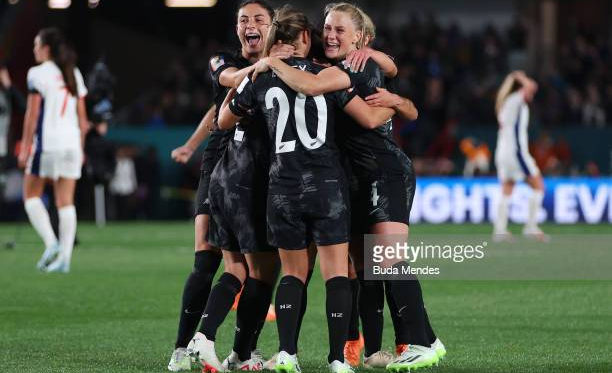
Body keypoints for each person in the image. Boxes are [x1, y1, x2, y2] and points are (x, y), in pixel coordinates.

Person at [252, 3, 444, 370]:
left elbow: (320, 90)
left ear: (360, 38)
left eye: (340, 29)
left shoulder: (353, 66)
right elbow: (397, 84)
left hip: (383, 171)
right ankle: (392, 346)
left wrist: (273, 61)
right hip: (354, 178)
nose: (331, 35)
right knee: (366, 268)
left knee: (388, 262)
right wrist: (399, 101)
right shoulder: (349, 65)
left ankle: (423, 342)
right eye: (327, 28)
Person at [219, 6, 396, 373]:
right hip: (327, 185)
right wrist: (397, 106)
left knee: (292, 274)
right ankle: (337, 360)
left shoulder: (261, 79)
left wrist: (259, 68)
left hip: (281, 186)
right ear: (304, 39)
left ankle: (287, 353)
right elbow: (369, 116)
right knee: (336, 274)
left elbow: (223, 121)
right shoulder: (329, 74)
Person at [167, 1, 277, 372]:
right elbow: (227, 87)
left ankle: (243, 350)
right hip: (220, 165)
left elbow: (214, 110)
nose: (250, 25)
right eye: (243, 20)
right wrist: (195, 147)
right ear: (236, 30)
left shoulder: (281, 69)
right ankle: (182, 348)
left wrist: (188, 143)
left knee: (255, 266)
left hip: (259, 170)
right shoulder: (224, 62)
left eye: (259, 19)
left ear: (272, 26)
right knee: (206, 258)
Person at [18, 28, 88, 273]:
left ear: (46, 48)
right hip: (71, 145)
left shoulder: (37, 73)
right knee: (65, 201)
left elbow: (32, 112)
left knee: (31, 195)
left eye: (37, 45)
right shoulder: (73, 72)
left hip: (48, 144)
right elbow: (83, 118)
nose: (34, 49)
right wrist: (81, 147)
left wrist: (26, 146)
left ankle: (51, 243)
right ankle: (65, 259)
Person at [493, 71, 548, 242]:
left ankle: (500, 231)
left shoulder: (504, 103)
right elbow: (532, 86)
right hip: (515, 153)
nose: (530, 92)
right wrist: (517, 76)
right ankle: (531, 227)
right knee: (539, 186)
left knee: (507, 188)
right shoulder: (515, 100)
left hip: (502, 151)